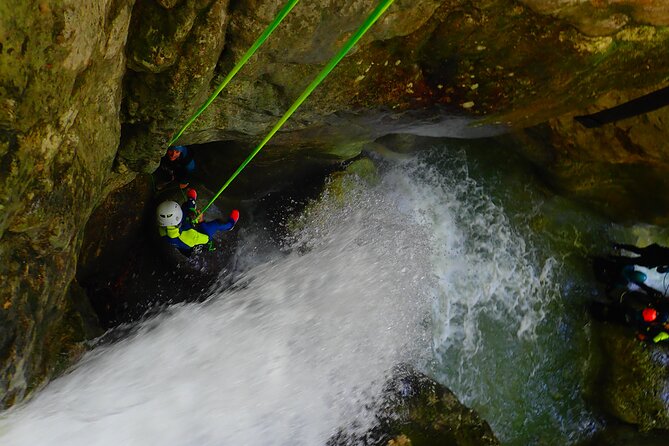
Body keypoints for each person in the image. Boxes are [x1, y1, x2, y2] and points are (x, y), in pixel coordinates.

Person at [156, 196, 239, 256]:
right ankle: (230, 225)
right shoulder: (189, 235)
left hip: (183, 246)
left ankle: (191, 201)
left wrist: (190, 216)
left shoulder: (162, 229)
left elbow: (179, 224)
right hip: (193, 241)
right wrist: (201, 222)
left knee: (186, 208)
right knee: (216, 224)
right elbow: (206, 239)